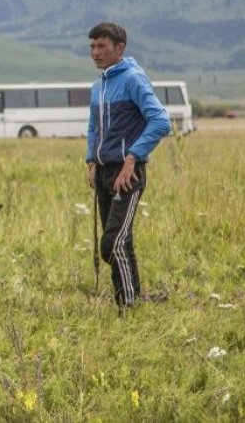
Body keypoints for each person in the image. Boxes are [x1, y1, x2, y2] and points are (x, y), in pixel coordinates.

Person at [85, 22, 171, 310]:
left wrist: (133, 157)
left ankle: (129, 304)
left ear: (119, 48)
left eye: (102, 47)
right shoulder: (98, 86)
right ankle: (129, 302)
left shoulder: (134, 79)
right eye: (92, 47)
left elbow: (160, 121)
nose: (95, 53)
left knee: (112, 244)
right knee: (122, 241)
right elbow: (93, 127)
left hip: (127, 173)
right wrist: (91, 160)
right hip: (104, 171)